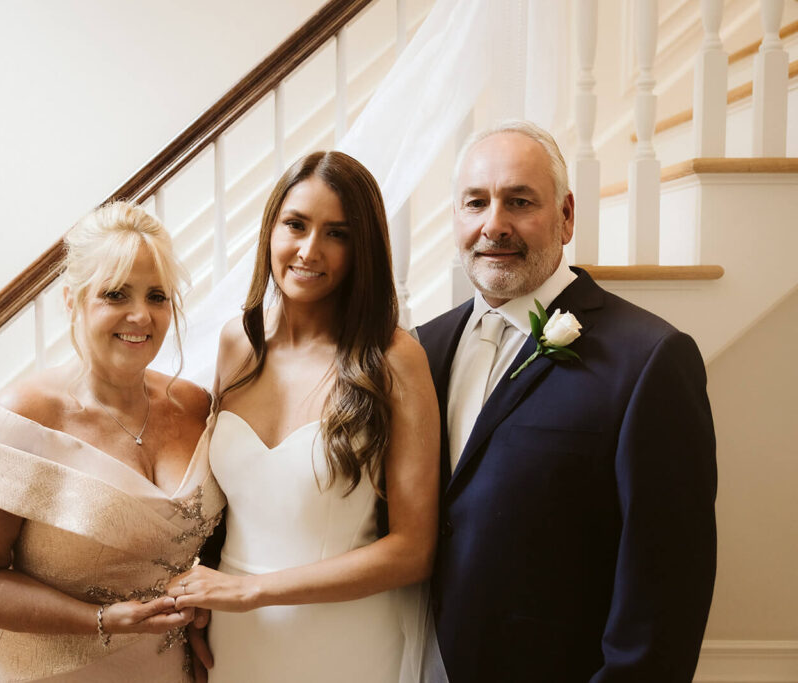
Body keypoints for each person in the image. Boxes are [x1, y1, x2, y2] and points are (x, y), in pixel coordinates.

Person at [416, 120, 717, 681]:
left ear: (567, 216)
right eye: (475, 203)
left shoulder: (649, 357)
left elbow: (668, 577)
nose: (494, 225)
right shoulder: (419, 349)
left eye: (520, 201)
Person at [169, 151, 440, 683]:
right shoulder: (236, 343)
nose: (309, 250)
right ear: (272, 228)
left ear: (363, 248)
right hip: (234, 638)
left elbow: (413, 551)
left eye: (337, 234)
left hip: (343, 641)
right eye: (296, 224)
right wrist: (204, 599)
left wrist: (251, 592)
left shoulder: (393, 359)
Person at [0, 201, 225, 682]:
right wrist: (99, 620)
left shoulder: (196, 405)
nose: (141, 315)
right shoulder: (18, 420)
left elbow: (218, 532)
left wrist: (207, 611)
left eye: (157, 296)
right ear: (72, 300)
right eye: (116, 294)